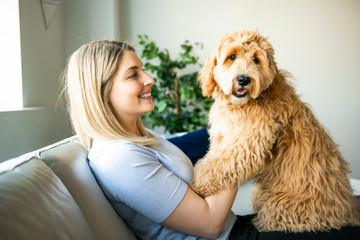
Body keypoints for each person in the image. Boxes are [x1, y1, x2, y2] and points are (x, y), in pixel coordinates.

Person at [62, 40, 360, 240]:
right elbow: (209, 223)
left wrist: (260, 119)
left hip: (240, 227)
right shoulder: (118, 159)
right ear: (101, 90)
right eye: (133, 74)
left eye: (143, 69)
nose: (149, 78)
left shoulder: (141, 137)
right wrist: (245, 144)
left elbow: (200, 145)